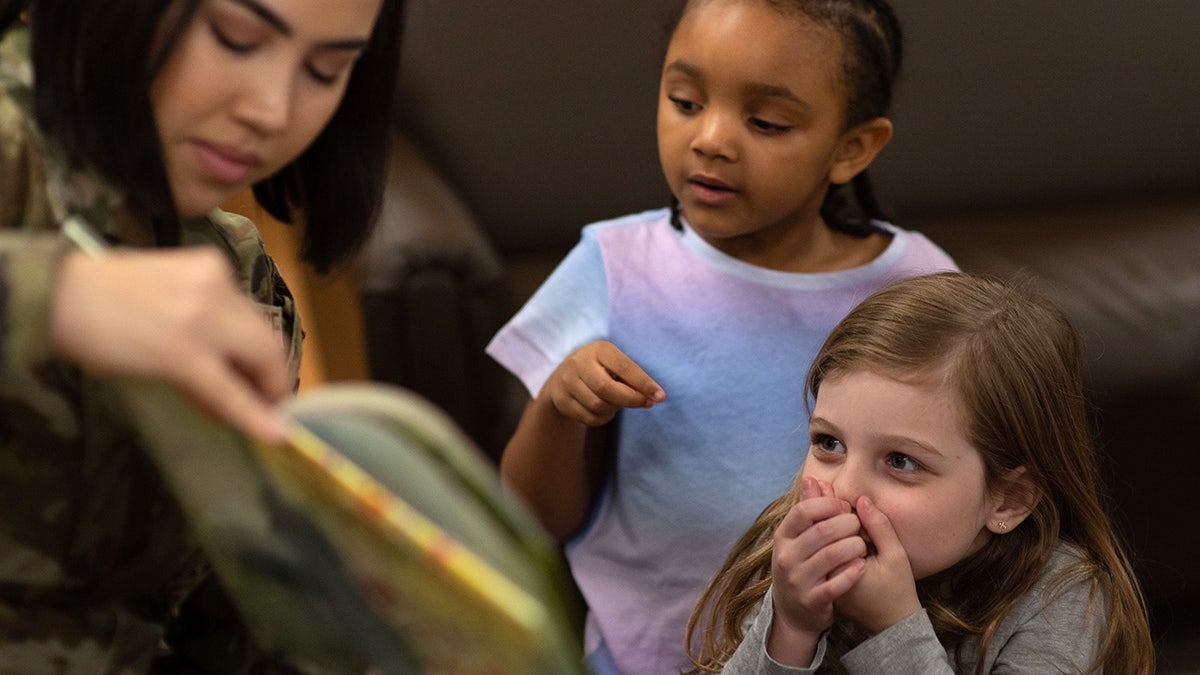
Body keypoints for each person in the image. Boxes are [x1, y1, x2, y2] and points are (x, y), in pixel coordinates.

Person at [485, 0, 956, 672]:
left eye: (764, 121)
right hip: (645, 658)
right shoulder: (613, 266)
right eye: (684, 101)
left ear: (852, 148)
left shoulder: (919, 286)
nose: (710, 138)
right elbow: (534, 517)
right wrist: (560, 407)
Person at [0, 0, 404, 671]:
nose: (272, 110)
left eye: (327, 70)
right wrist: (59, 299)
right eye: (236, 38)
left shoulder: (234, 273)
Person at [685, 272, 1155, 674]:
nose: (843, 489)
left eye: (901, 461)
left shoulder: (1059, 598)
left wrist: (892, 628)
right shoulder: (797, 552)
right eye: (829, 443)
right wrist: (791, 627)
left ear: (1008, 499)